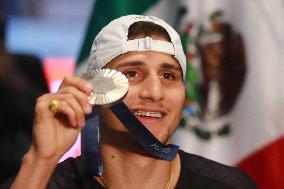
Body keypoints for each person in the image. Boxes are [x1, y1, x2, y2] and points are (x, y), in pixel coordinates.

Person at [1, 15, 257, 189]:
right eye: (131, 74)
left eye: (168, 75)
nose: (154, 92)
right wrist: (40, 159)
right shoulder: (39, 180)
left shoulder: (230, 185)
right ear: (93, 89)